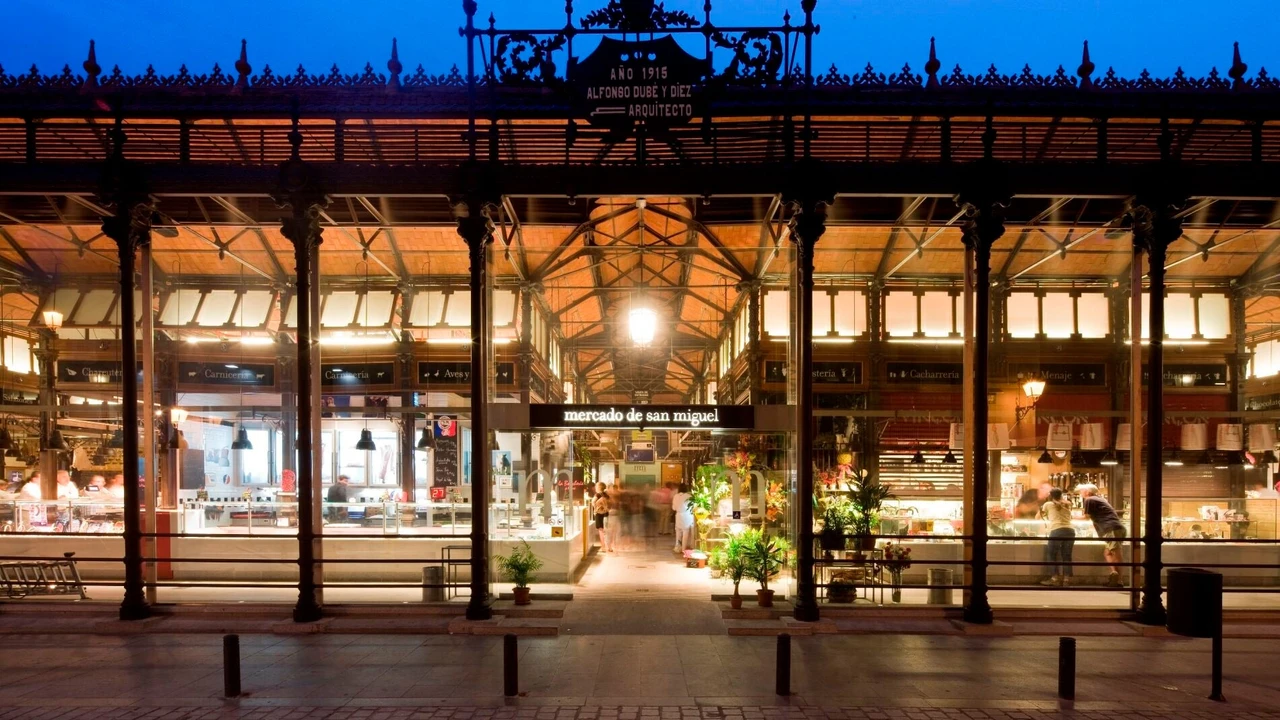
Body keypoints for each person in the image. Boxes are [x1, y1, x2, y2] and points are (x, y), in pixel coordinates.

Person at [1078, 484, 1125, 587]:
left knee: (1115, 551)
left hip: (1111, 528)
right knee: (1108, 552)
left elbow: (1086, 517)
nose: (1080, 492)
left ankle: (1120, 580)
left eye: (1082, 490)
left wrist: (1069, 517)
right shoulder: (1098, 499)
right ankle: (1114, 575)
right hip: (1113, 528)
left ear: (1088, 491)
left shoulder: (1089, 500)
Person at [1039, 488, 1075, 587]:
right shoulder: (1068, 504)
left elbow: (1038, 517)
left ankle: (1054, 578)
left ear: (1050, 496)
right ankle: (1066, 580)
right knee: (1067, 556)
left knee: (1051, 555)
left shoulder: (1048, 504)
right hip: (1070, 531)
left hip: (1056, 530)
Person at [672, 482, 695, 553]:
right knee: (685, 532)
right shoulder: (689, 496)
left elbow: (673, 508)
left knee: (678, 532)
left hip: (678, 515)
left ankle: (677, 547)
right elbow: (693, 506)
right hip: (687, 516)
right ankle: (683, 549)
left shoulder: (675, 496)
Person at [592, 481, 612, 552]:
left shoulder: (597, 495)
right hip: (606, 513)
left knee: (601, 530)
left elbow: (593, 502)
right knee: (607, 530)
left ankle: (603, 547)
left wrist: (595, 508)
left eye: (596, 486)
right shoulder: (606, 495)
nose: (595, 487)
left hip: (599, 514)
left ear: (599, 487)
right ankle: (609, 547)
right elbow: (610, 504)